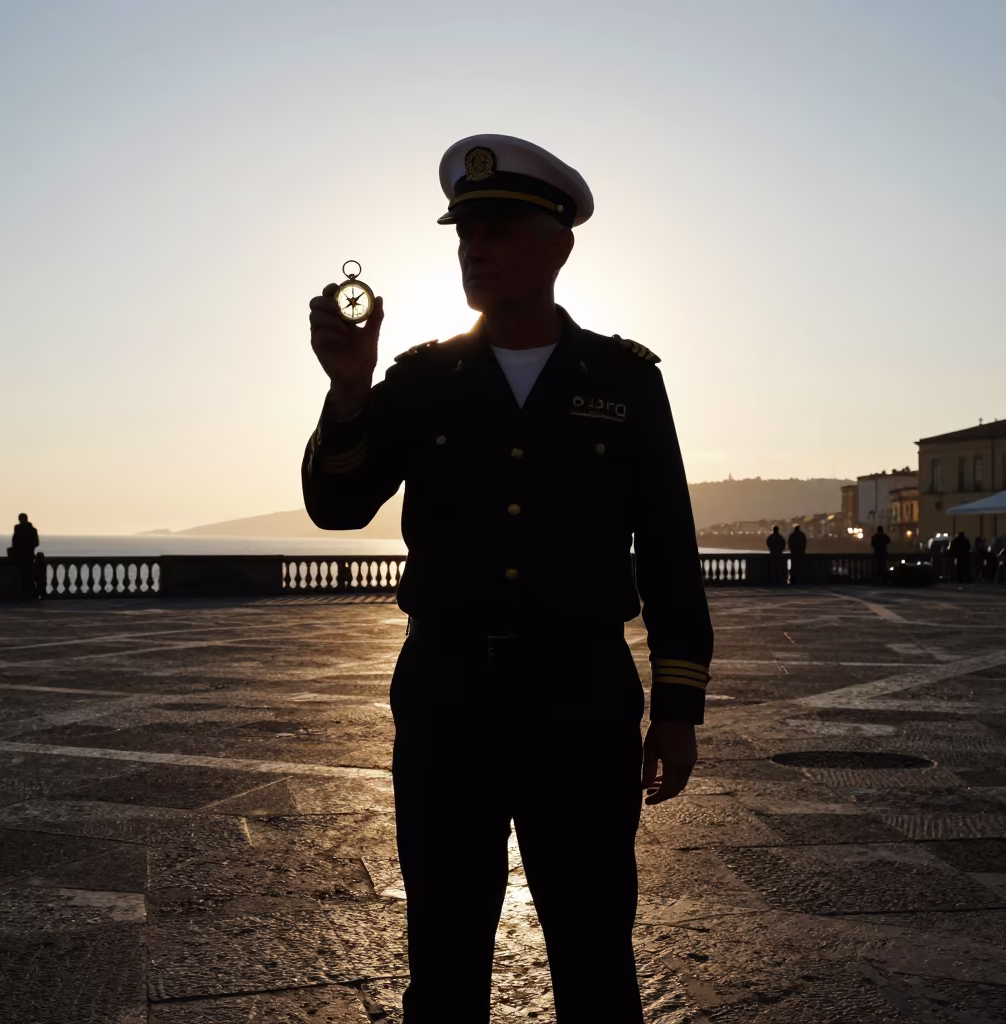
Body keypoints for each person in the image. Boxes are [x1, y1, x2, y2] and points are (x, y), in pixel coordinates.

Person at [302, 134, 713, 1024]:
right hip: (451, 701)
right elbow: (338, 508)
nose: (473, 250)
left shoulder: (625, 381)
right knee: (444, 963)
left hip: (583, 701)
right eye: (463, 234)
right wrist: (348, 391)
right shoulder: (421, 379)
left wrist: (678, 708)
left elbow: (671, 550)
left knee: (596, 956)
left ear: (558, 244)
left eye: (495, 229)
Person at [9, 513, 39, 599]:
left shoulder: (17, 528)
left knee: (22, 576)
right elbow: (36, 543)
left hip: (21, 556)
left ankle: (24, 593)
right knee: (29, 576)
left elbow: (14, 541)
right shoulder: (33, 530)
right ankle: (30, 593)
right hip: (29, 555)